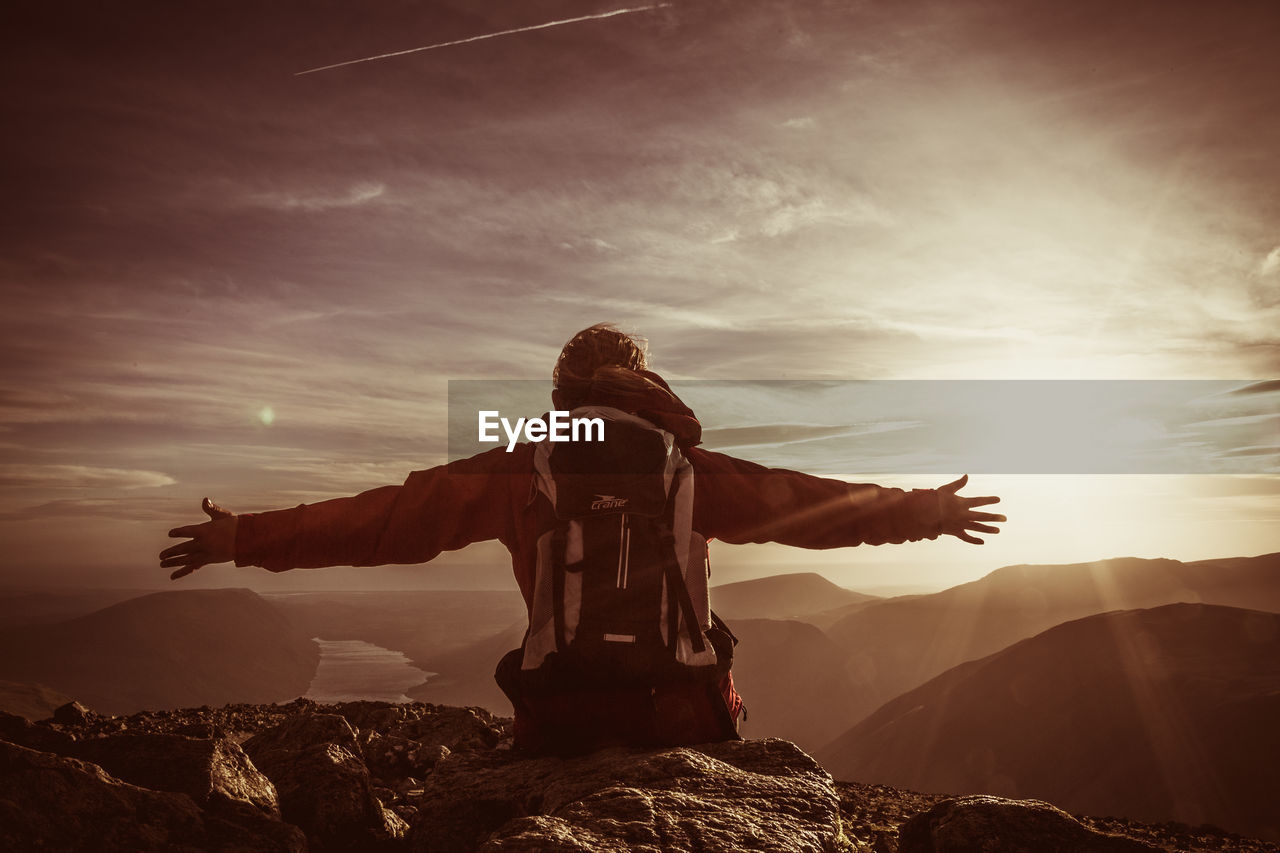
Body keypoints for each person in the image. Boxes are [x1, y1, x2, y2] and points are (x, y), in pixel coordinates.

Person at [160, 323, 1004, 748]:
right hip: (680, 713)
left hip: (558, 715)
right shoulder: (685, 466)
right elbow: (812, 506)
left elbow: (385, 521)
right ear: (644, 382)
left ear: (561, 393)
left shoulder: (522, 468)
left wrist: (246, 536)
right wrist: (926, 511)